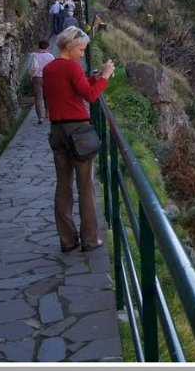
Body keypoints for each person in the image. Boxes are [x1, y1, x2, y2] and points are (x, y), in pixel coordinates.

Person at [43, 27, 115, 253]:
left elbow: (72, 87)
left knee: (63, 186)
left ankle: (67, 240)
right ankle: (90, 239)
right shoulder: (72, 67)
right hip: (78, 132)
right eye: (82, 49)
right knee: (86, 187)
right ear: (71, 47)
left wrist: (91, 78)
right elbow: (91, 96)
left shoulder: (48, 69)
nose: (83, 54)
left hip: (57, 130)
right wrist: (104, 77)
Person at [26, 40, 55, 124]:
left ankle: (40, 117)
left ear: (38, 46)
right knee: (47, 96)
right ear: (48, 47)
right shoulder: (50, 56)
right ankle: (47, 113)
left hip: (37, 78)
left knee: (38, 97)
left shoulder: (33, 55)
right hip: (48, 78)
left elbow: (29, 66)